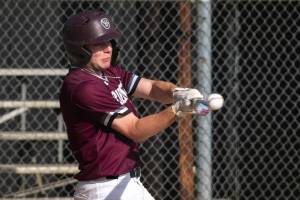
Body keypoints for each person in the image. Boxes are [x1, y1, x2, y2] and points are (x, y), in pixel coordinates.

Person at [60, 10, 208, 200]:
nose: (108, 48)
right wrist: (177, 110)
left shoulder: (110, 73)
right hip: (105, 190)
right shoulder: (84, 87)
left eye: (109, 42)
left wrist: (177, 92)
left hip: (123, 185)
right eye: (99, 43)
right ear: (80, 48)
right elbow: (135, 130)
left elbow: (152, 88)